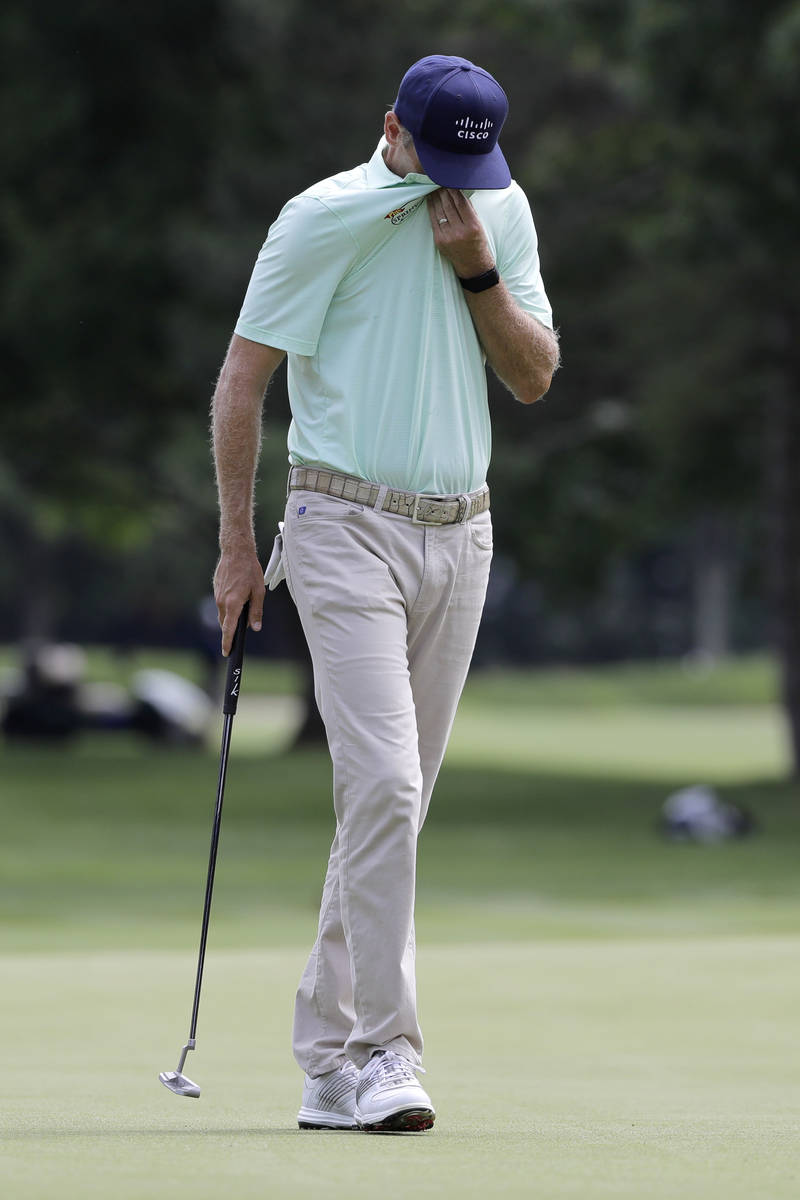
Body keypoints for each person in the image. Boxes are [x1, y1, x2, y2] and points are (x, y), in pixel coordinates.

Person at [211, 54, 559, 1133]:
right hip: (339, 524)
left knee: (389, 803)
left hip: (463, 532)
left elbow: (533, 373)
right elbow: (242, 383)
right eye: (437, 155)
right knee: (388, 794)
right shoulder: (322, 217)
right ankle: (382, 1052)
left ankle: (326, 1060)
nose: (457, 178)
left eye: (474, 159)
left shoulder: (497, 210)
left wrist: (476, 271)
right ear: (391, 132)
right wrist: (233, 546)